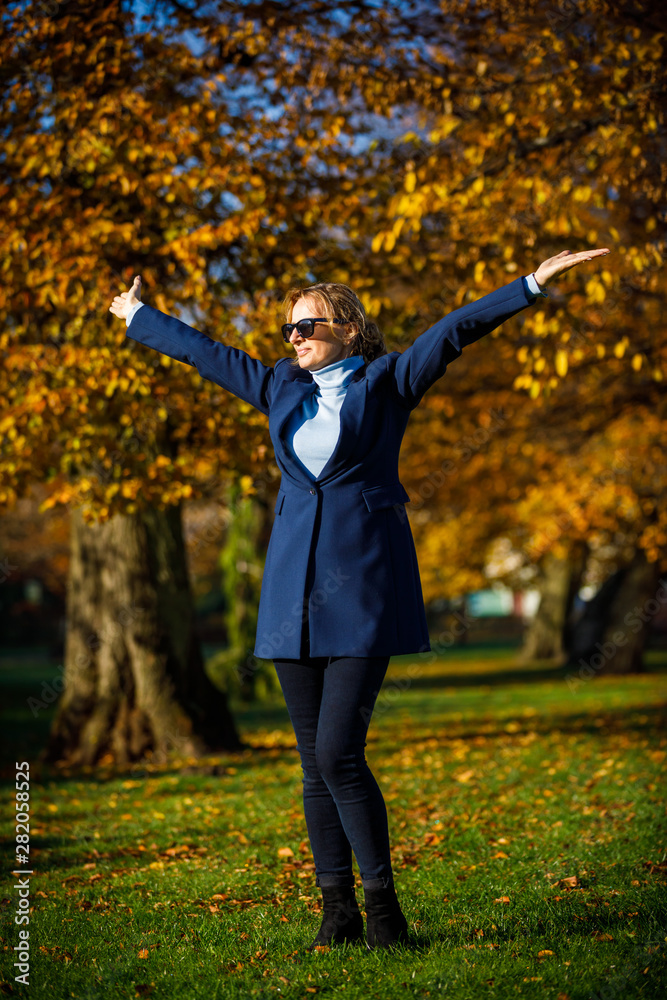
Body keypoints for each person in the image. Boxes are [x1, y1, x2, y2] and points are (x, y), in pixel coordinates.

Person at [109, 247, 610, 950]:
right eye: (288, 328)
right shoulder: (280, 387)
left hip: (364, 592)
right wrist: (138, 316)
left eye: (308, 323)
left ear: (349, 328)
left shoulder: (387, 381)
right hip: (291, 597)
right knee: (312, 765)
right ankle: (335, 911)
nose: (294, 336)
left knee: (340, 752)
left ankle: (384, 912)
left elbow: (454, 331)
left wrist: (528, 284)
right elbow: (205, 353)